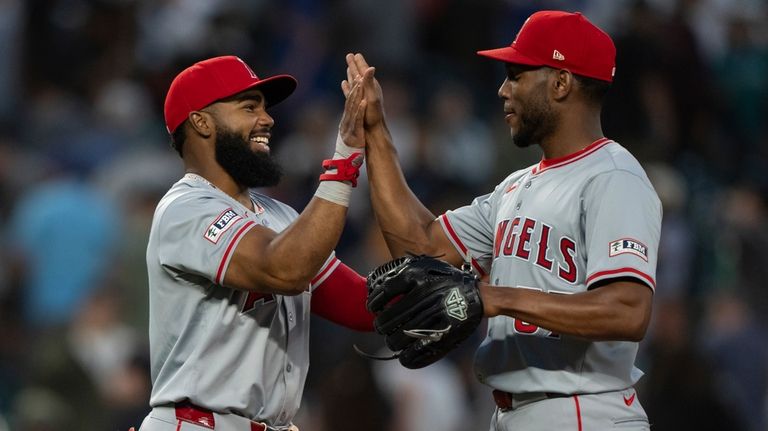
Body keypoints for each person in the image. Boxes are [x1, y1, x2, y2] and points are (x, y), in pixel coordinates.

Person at [345, 10, 662, 431]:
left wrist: (498, 297)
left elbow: (628, 311)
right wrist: (379, 133)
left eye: (516, 74)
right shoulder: (514, 188)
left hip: (584, 411)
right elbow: (420, 245)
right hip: (515, 413)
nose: (502, 90)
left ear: (561, 82)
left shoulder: (613, 178)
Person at [137, 55, 376, 431]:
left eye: (265, 108)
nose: (267, 119)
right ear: (201, 122)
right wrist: (343, 161)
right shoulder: (184, 209)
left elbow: (361, 307)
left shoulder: (280, 216)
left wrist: (466, 293)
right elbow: (285, 269)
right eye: (249, 107)